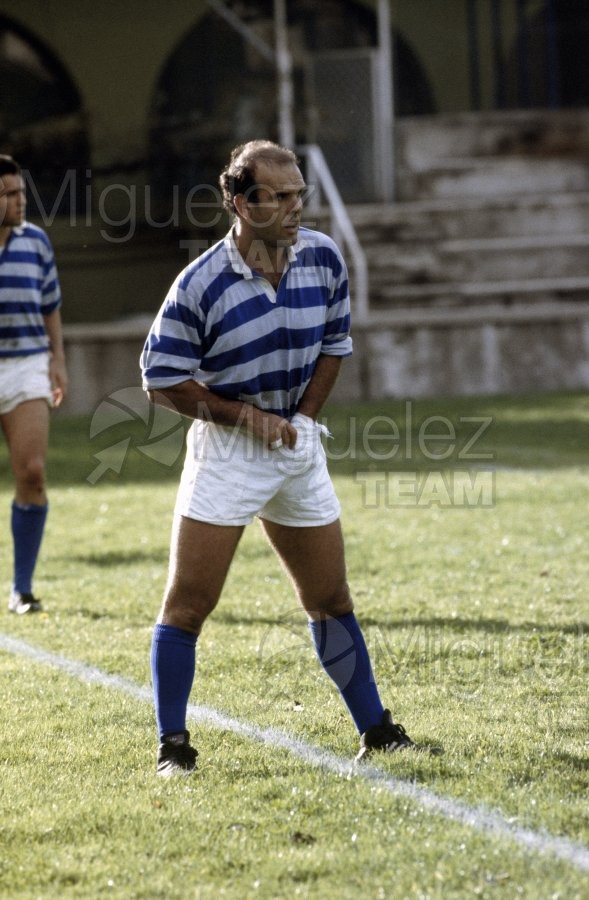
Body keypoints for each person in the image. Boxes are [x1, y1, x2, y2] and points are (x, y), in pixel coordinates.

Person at [141, 140, 440, 775]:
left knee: (330, 599)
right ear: (239, 202)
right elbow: (160, 378)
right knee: (189, 603)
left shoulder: (326, 258)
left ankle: (377, 732)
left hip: (296, 447)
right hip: (227, 452)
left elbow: (336, 345)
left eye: (298, 193)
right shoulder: (199, 283)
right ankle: (173, 746)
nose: (293, 206)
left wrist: (303, 420)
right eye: (277, 196)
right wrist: (246, 417)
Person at [0, 155, 68, 614]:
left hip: (27, 364)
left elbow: (51, 306)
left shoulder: (36, 242)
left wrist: (57, 359)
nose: (19, 201)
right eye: (8, 194)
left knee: (33, 473)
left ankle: (21, 588)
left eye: (20, 192)